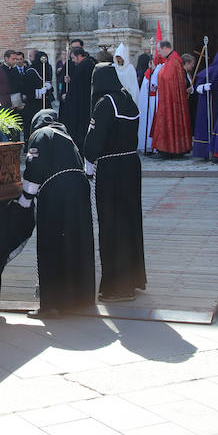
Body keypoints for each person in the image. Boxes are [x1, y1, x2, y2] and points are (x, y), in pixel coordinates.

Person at [19, 109, 95, 316]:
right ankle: (81, 297)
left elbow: (34, 167)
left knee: (51, 244)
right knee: (76, 242)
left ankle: (52, 304)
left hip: (57, 193)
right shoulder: (67, 136)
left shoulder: (40, 135)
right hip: (79, 190)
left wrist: (25, 198)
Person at [82, 64, 146, 302]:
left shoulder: (104, 104)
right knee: (130, 222)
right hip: (131, 165)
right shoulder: (127, 99)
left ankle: (117, 287)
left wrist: (87, 160)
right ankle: (134, 278)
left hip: (110, 168)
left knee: (111, 225)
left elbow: (93, 145)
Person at [150, 41, 191, 157]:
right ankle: (167, 149)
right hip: (167, 97)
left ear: (165, 48)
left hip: (171, 99)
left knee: (170, 120)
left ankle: (170, 150)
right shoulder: (172, 60)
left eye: (159, 50)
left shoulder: (174, 61)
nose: (158, 53)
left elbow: (167, 77)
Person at [61, 43, 95, 148]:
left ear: (79, 56)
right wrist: (71, 80)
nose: (73, 60)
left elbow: (78, 88)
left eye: (73, 58)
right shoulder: (89, 63)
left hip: (81, 103)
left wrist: (68, 96)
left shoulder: (83, 66)